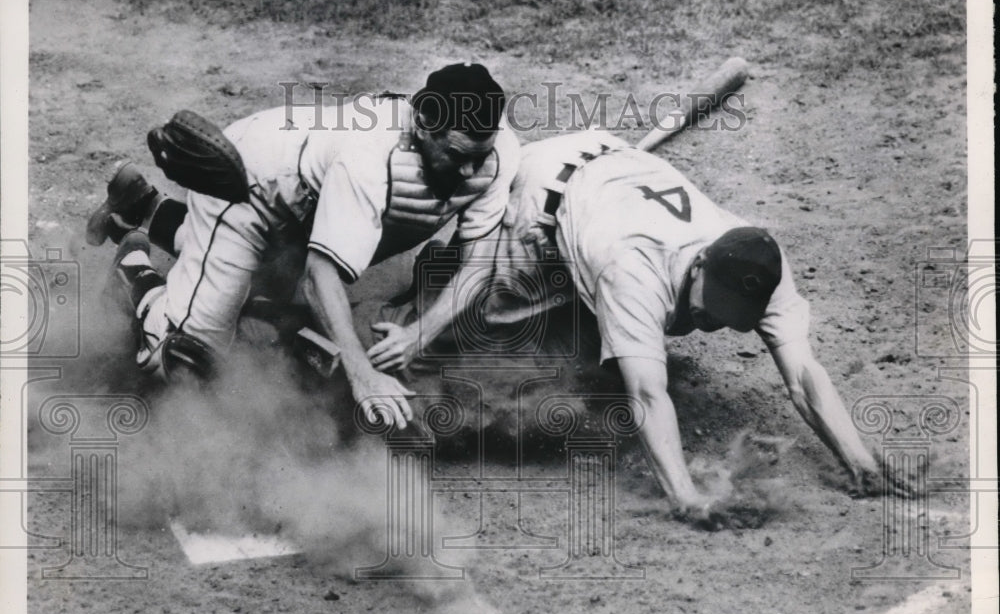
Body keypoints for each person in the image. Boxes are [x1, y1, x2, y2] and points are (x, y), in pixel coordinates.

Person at [368, 130, 884, 521]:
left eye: (731, 316)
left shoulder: (759, 263)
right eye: (714, 303)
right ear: (700, 264)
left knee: (590, 336)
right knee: (474, 320)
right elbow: (648, 395)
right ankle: (386, 329)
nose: (713, 321)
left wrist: (858, 458)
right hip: (540, 203)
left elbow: (802, 376)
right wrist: (686, 496)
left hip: (607, 168)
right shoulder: (634, 268)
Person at [86, 63, 520, 429]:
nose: (470, 170)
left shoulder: (495, 152)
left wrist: (417, 334)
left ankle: (145, 206)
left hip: (309, 206)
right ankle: (135, 270)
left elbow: (479, 263)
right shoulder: (371, 156)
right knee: (187, 362)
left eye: (480, 156)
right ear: (424, 126)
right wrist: (363, 374)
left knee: (266, 304)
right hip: (252, 189)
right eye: (458, 153)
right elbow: (320, 276)